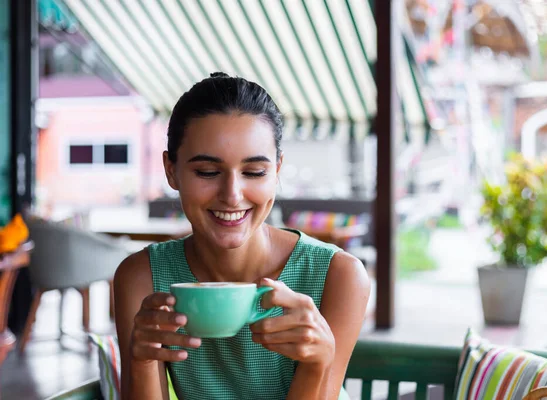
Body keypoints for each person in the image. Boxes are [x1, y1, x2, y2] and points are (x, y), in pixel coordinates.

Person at [114, 72, 371, 400]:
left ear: (277, 171)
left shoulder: (338, 275)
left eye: (254, 172)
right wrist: (143, 361)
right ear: (171, 171)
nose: (232, 195)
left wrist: (317, 364)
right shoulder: (142, 277)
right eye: (207, 172)